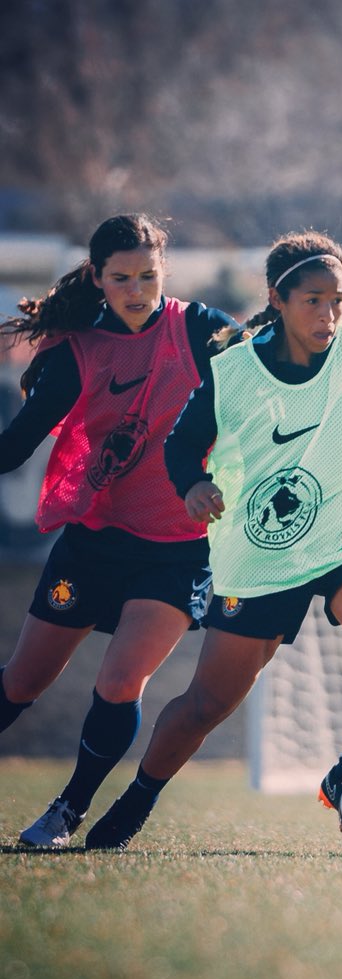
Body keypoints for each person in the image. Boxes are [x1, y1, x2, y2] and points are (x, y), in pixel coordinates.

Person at [84, 229, 342, 850]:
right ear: (278, 297)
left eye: (338, 301)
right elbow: (181, 445)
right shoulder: (232, 370)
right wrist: (192, 486)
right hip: (262, 554)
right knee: (206, 705)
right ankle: (137, 799)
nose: (328, 315)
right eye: (313, 300)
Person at [0, 213, 240, 847]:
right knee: (22, 682)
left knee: (119, 681)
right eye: (122, 278)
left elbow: (272, 391)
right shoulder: (78, 352)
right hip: (94, 544)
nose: (137, 290)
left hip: (179, 552)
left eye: (149, 276)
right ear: (99, 278)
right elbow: (17, 445)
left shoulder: (206, 332)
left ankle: (69, 810)